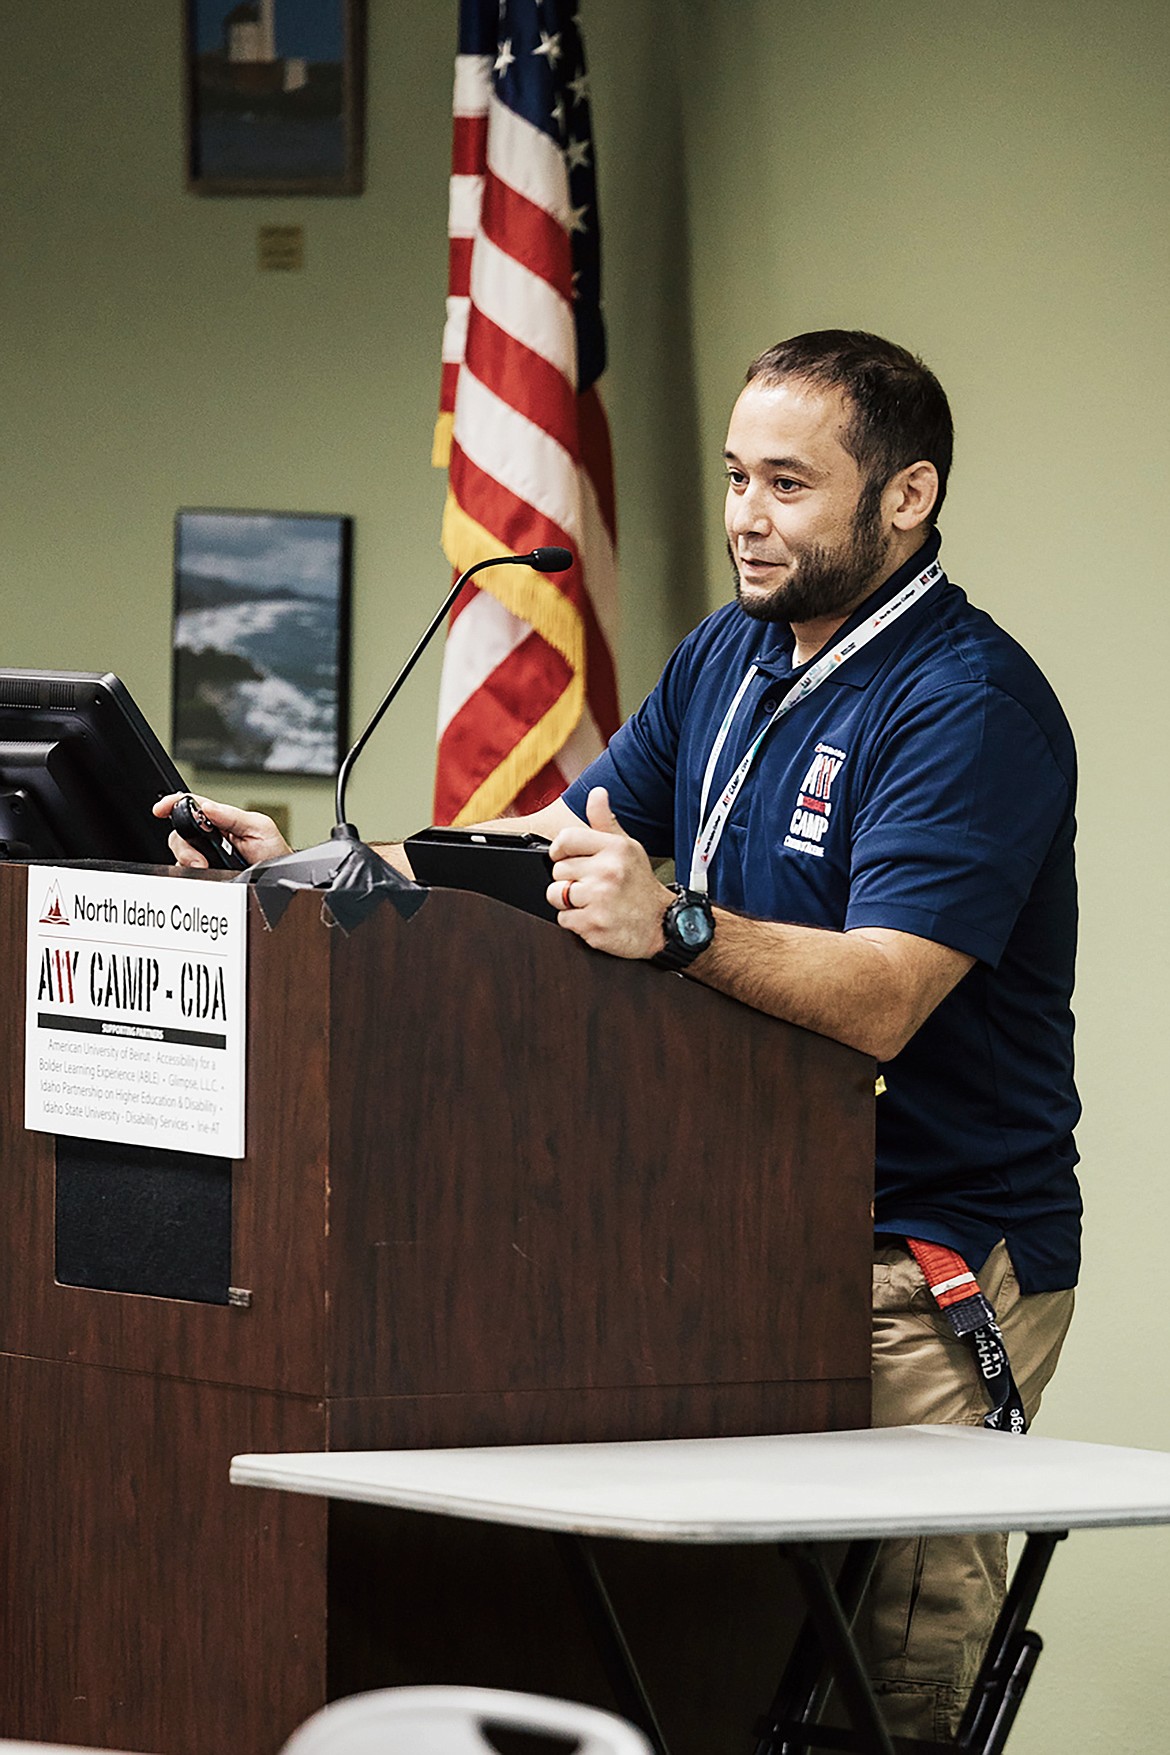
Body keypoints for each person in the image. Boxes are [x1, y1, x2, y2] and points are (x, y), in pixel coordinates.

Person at [160, 330, 1080, 1742]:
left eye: (786, 483)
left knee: (874, 1693)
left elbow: (889, 989)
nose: (742, 518)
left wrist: (684, 927)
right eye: (732, 478)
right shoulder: (729, 650)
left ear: (905, 498)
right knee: (716, 1663)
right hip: (731, 1242)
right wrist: (301, 873)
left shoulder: (965, 705)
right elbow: (551, 849)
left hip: (916, 1262)